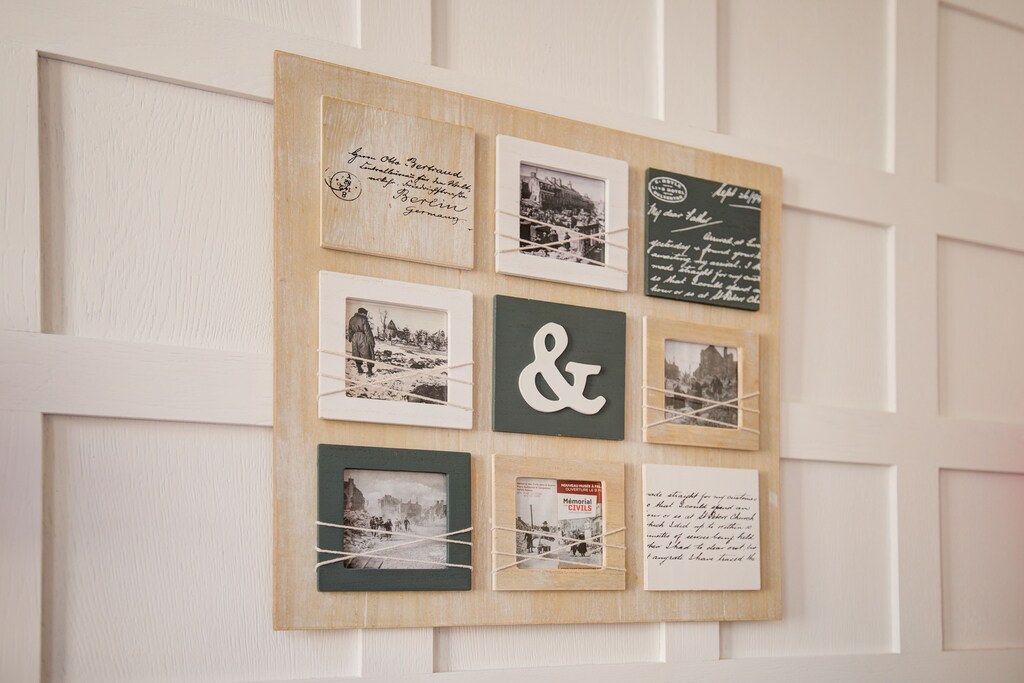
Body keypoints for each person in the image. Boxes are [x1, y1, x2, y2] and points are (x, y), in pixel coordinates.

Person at [346, 307, 376, 375]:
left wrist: (350, 338)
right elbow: (367, 331)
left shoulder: (352, 319)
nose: (366, 315)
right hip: (363, 337)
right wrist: (372, 341)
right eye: (365, 313)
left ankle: (359, 369)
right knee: (369, 353)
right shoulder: (364, 319)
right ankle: (370, 371)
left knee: (357, 354)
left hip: (355, 338)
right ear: (363, 313)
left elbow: (350, 330)